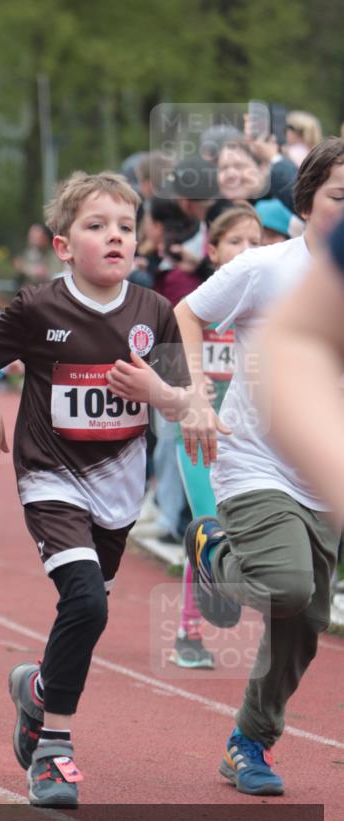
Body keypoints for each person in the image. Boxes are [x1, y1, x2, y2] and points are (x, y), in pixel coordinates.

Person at [0, 171, 192, 807]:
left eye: (124, 226)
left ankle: (36, 690)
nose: (114, 237)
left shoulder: (155, 312)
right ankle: (53, 750)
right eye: (96, 226)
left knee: (87, 614)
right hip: (51, 477)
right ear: (65, 245)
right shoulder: (40, 307)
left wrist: (160, 394)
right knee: (86, 602)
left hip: (120, 489)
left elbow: (181, 402)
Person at [174, 137, 344, 796]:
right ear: (304, 201)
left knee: (302, 619)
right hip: (252, 459)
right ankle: (209, 546)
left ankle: (249, 741)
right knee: (285, 583)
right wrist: (193, 394)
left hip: (322, 472)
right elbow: (187, 314)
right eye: (338, 197)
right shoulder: (266, 268)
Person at [173, 204, 262, 668]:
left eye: (254, 241)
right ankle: (188, 632)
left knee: (245, 531)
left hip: (248, 440)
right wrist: (191, 387)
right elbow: (162, 372)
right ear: (213, 251)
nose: (247, 250)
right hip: (197, 437)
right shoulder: (194, 305)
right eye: (236, 242)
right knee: (208, 526)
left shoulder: (264, 305)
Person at [258, 216, 344, 526]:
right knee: (286, 574)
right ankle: (215, 553)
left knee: (312, 572)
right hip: (255, 460)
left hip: (308, 487)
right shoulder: (263, 264)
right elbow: (293, 340)